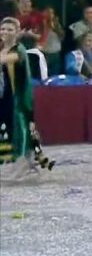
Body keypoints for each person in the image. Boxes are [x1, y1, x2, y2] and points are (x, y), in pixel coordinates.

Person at [1, 17, 54, 180]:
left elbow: (6, 60)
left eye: (10, 29)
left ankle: (25, 162)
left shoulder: (20, 49)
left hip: (20, 97)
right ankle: (27, 162)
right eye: (3, 29)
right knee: (11, 130)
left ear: (17, 33)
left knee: (22, 130)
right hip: (6, 97)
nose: (5, 32)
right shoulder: (2, 49)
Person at [40, 7, 63, 77]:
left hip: (55, 52)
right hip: (43, 52)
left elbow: (62, 36)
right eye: (47, 12)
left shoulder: (56, 24)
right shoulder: (40, 23)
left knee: (54, 74)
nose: (49, 15)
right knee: (43, 74)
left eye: (51, 13)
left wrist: (55, 27)